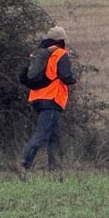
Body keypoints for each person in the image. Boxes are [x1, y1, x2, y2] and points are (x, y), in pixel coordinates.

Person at [20, 25, 77, 173]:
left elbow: (25, 76)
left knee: (54, 135)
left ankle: (55, 167)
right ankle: (25, 163)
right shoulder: (60, 54)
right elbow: (65, 76)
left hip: (37, 98)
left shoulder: (37, 53)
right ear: (62, 40)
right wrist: (72, 80)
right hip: (51, 99)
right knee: (42, 133)